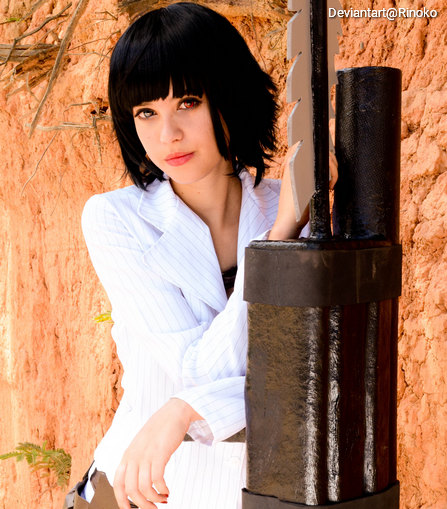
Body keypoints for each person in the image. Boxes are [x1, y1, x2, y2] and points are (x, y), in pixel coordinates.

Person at [66, 3, 335, 508]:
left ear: (229, 96)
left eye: (187, 102)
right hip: (137, 494)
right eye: (146, 112)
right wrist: (277, 244)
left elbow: (311, 377)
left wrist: (186, 407)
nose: (167, 135)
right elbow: (195, 372)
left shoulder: (292, 209)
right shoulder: (116, 220)